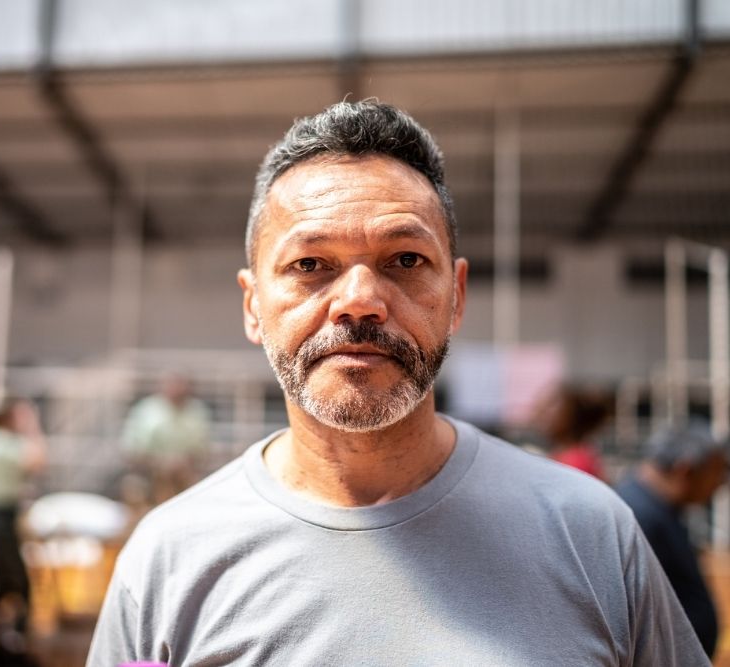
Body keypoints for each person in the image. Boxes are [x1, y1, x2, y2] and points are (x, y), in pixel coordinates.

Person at [87, 101, 708, 665]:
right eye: (310, 265)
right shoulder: (169, 559)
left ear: (456, 296)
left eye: (405, 260)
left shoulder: (591, 532)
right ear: (253, 306)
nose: (359, 302)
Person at [616, 421, 728, 658]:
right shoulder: (639, 515)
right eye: (717, 473)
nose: (719, 484)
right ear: (685, 470)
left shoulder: (658, 508)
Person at [0, 398, 47, 666]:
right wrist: (32, 427)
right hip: (0, 518)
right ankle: (9, 649)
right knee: (18, 585)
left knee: (0, 584)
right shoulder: (0, 441)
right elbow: (37, 460)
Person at [121, 373, 211, 503]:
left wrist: (182, 464)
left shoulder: (197, 411)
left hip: (186, 475)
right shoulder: (146, 410)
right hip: (148, 474)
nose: (178, 390)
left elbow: (202, 451)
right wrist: (161, 464)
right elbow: (131, 450)